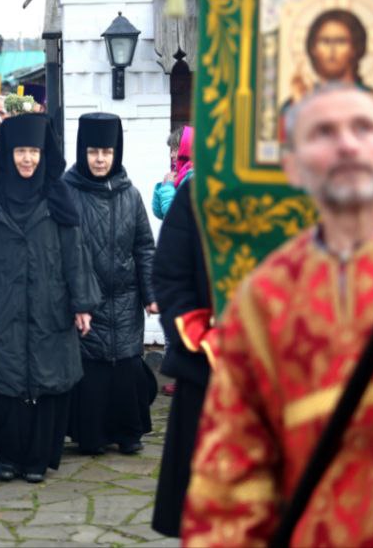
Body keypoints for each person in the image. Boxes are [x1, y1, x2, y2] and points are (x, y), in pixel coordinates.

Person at [181, 84, 373, 546]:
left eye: (364, 128)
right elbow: (233, 470)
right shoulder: (265, 296)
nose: (347, 144)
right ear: (293, 167)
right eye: (324, 132)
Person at [0, 113, 97, 484]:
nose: (27, 159)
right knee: (2, 385)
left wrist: (82, 303)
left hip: (50, 304)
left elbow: (75, 253)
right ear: (7, 153)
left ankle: (38, 458)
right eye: (20, 151)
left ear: (44, 154)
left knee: (48, 384)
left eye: (34, 151)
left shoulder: (58, 195)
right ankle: (9, 456)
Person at [63, 113, 158, 457]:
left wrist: (151, 294)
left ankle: (129, 433)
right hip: (86, 301)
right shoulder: (66, 192)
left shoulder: (130, 194)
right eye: (93, 152)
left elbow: (144, 247)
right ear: (82, 151)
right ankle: (92, 435)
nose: (100, 159)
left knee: (128, 367)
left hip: (125, 298)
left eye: (106, 152)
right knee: (93, 372)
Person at [150, 181, 214, 538]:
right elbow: (170, 274)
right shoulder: (198, 193)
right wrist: (197, 335)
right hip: (208, 368)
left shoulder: (317, 190)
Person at [152, 126, 193, 220]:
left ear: (186, 150)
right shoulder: (182, 175)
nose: (171, 155)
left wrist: (168, 186)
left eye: (175, 150)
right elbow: (159, 213)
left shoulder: (193, 177)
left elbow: (173, 214)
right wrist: (163, 186)